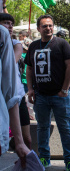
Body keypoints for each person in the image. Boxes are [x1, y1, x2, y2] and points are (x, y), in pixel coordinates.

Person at [25, 14, 70, 171]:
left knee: (65, 128)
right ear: (38, 29)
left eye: (50, 25)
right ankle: (44, 158)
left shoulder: (61, 43)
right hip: (40, 95)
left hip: (59, 95)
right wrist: (30, 89)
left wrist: (64, 89)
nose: (48, 28)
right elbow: (29, 68)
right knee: (42, 127)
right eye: (44, 26)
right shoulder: (34, 46)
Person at [0, 13, 32, 150]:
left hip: (16, 95)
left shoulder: (15, 43)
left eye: (11, 24)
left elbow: (10, 64)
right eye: (6, 23)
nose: (10, 26)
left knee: (27, 139)